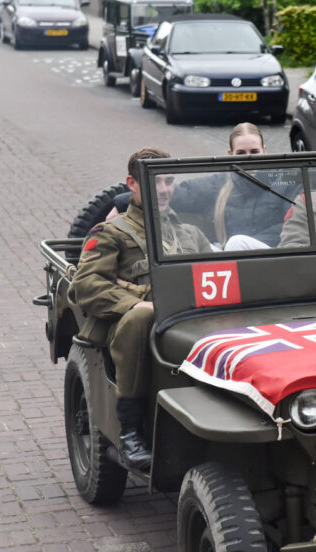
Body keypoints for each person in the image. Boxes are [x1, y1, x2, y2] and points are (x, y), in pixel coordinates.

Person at [69, 148, 211, 471]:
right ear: (132, 184)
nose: (163, 189)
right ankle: (130, 432)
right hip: (128, 331)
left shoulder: (190, 233)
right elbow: (85, 285)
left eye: (168, 181)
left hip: (187, 327)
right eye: (153, 182)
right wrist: (135, 303)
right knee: (142, 316)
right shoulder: (111, 233)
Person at [108, 123, 295, 249]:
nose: (249, 159)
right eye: (241, 153)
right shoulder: (221, 184)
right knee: (202, 249)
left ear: (264, 151)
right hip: (234, 258)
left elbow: (293, 226)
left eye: (254, 151)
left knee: (236, 243)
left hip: (276, 256)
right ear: (230, 155)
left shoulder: (285, 181)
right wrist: (124, 202)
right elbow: (179, 193)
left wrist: (242, 245)